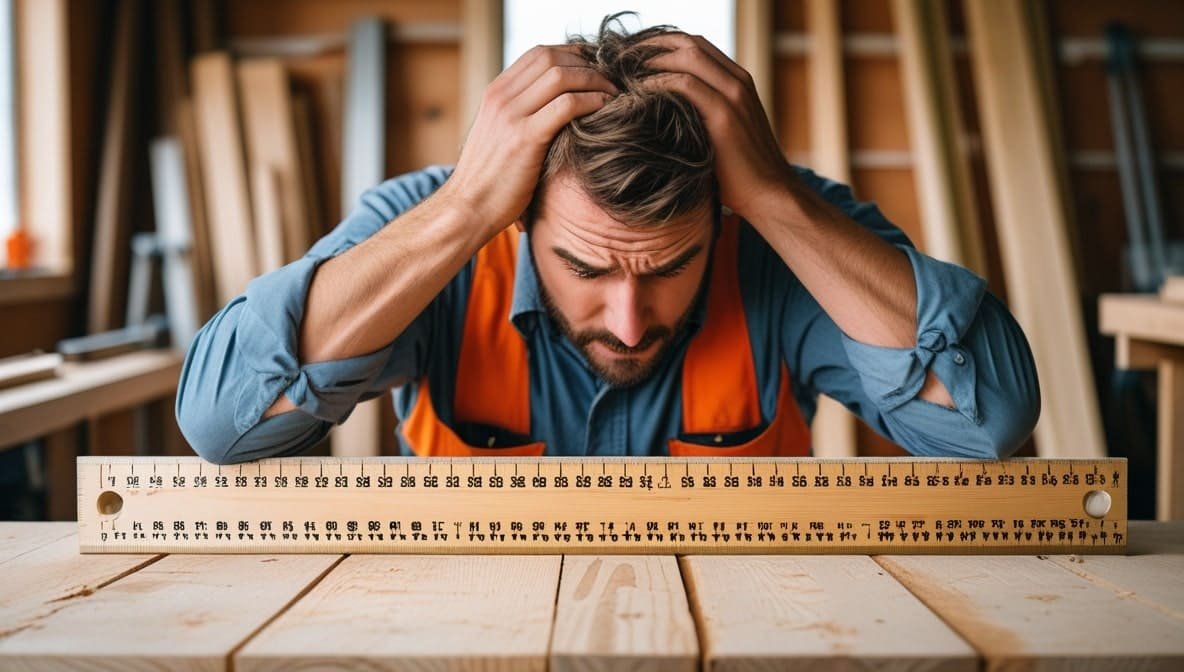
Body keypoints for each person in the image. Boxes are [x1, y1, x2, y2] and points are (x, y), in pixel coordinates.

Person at [176, 14, 1040, 464]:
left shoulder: (782, 231)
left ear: (721, 215)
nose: (629, 324)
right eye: (584, 266)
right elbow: (222, 422)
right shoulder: (440, 226)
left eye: (671, 267)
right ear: (519, 216)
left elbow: (986, 421)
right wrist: (464, 212)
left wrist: (774, 198)